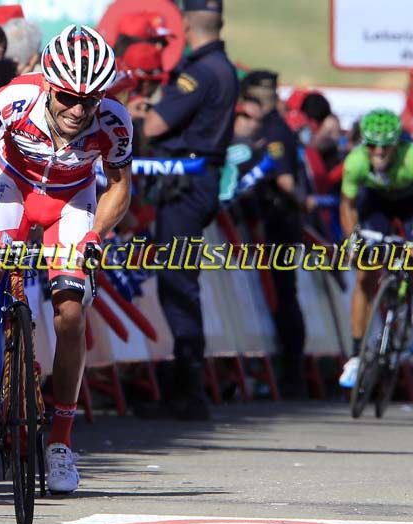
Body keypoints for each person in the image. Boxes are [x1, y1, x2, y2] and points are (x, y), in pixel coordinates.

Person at [0, 25, 132, 493]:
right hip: (12, 188)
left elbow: (120, 186)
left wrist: (95, 235)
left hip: (72, 200)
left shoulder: (114, 121)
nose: (78, 109)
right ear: (48, 83)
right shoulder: (13, 100)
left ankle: (61, 444)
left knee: (70, 315)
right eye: (67, 96)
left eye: (90, 100)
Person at [130, 0, 238, 420]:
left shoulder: (199, 71)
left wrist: (135, 116)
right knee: (182, 283)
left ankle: (188, 394)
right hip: (202, 179)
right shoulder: (224, 67)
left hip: (185, 182)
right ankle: (187, 389)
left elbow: (156, 126)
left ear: (188, 24)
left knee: (178, 285)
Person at [337, 109, 413, 388]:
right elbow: (347, 206)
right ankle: (355, 356)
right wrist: (352, 242)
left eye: (386, 147)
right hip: (376, 205)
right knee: (365, 273)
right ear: (364, 144)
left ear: (397, 144)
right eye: (372, 145)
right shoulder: (356, 162)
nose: (379, 153)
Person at [240, 69, 309, 398]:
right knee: (284, 294)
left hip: (279, 221)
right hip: (282, 220)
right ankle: (292, 371)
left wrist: (299, 202)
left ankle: (294, 373)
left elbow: (286, 182)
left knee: (283, 295)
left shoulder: (274, 130)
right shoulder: (280, 125)